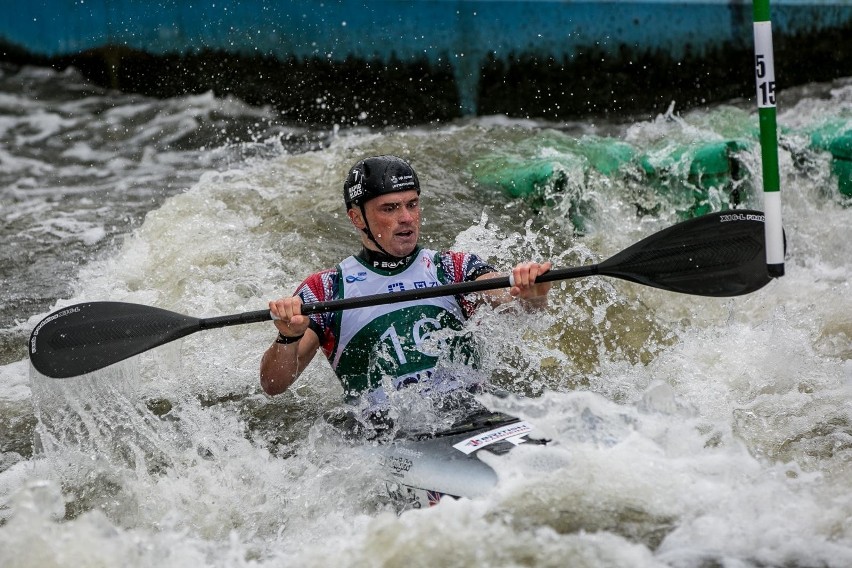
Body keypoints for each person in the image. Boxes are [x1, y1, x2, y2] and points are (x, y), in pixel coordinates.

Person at [260, 155, 552, 416]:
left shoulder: (452, 268)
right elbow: (273, 384)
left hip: (473, 410)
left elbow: (507, 301)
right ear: (356, 217)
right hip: (389, 432)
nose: (407, 218)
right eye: (390, 208)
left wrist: (530, 295)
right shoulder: (326, 289)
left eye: (412, 204)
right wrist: (287, 338)